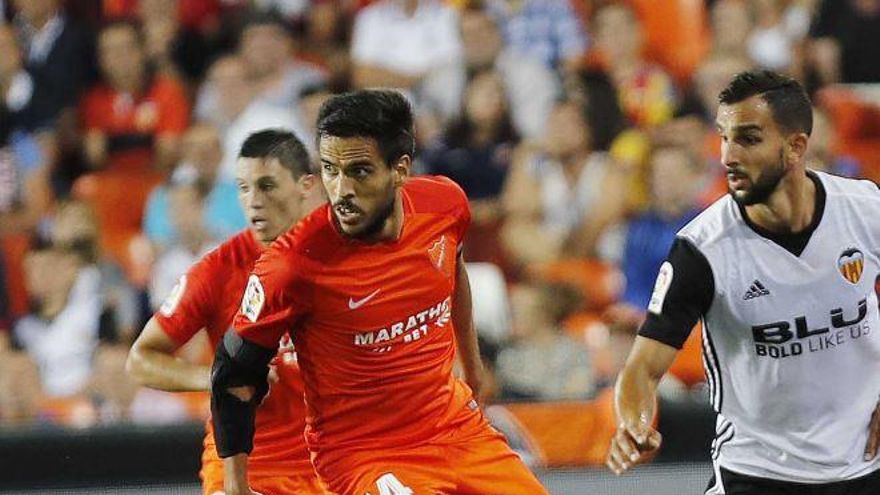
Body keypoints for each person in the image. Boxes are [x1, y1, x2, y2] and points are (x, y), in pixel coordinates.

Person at [212, 90, 549, 495]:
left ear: (400, 169)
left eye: (359, 171)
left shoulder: (445, 205)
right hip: (363, 454)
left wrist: (472, 370)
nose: (341, 190)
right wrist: (235, 488)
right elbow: (231, 373)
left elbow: (453, 274)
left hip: (456, 429)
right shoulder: (292, 263)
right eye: (330, 170)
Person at [606, 70, 880, 494]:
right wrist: (634, 424)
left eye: (748, 139)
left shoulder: (865, 210)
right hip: (759, 472)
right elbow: (641, 369)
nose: (728, 155)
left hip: (865, 465)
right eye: (723, 137)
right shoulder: (702, 250)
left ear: (796, 147)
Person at [126, 129, 328, 495]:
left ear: (306, 185)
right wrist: (219, 378)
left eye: (267, 185)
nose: (253, 202)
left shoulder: (343, 256)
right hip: (249, 464)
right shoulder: (219, 270)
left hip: (335, 459)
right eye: (244, 188)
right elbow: (140, 359)